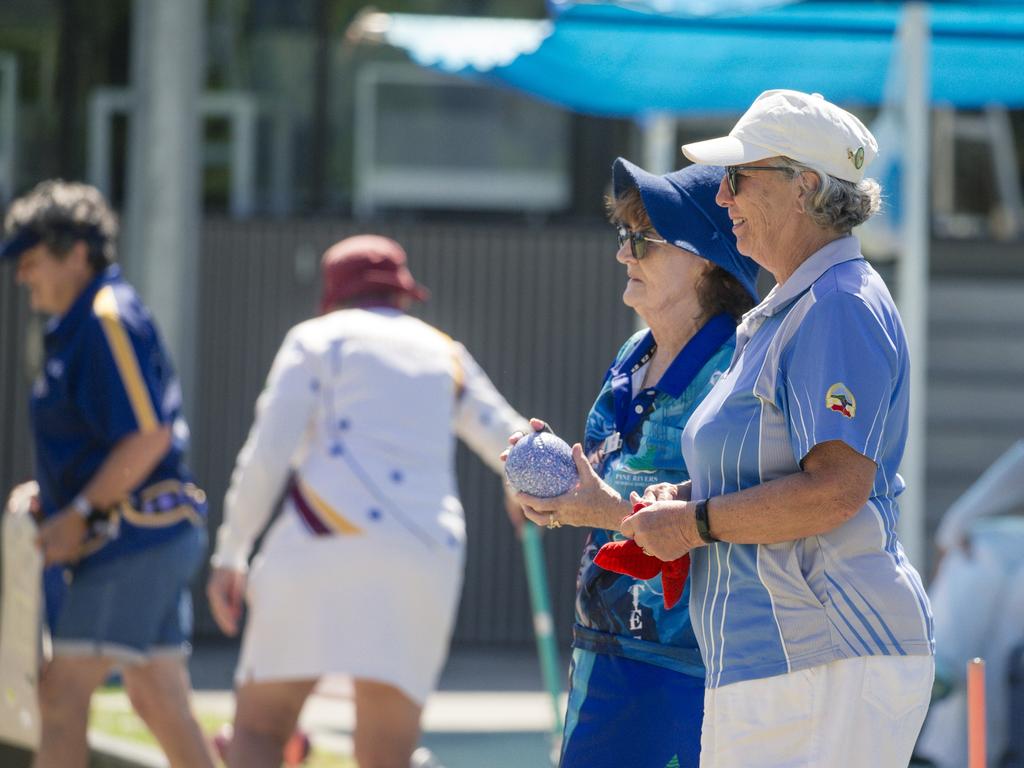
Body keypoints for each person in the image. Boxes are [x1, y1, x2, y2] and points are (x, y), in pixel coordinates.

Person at [621, 89, 935, 767]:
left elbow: (834, 492)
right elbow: (774, 471)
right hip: (792, 661)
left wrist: (696, 523)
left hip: (824, 656)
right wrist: (686, 500)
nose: (723, 198)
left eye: (737, 178)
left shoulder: (836, 305)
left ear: (807, 188)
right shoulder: (800, 305)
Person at [205, 234, 529, 768]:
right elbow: (512, 441)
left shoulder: (315, 339)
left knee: (261, 728)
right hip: (423, 553)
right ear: (402, 294)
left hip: (319, 540)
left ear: (332, 294)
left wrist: (231, 552)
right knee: (387, 752)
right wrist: (525, 484)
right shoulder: (445, 351)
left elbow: (266, 455)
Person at [508, 160, 759, 768]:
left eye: (642, 240)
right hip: (605, 645)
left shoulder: (736, 367)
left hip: (690, 661)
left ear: (704, 258)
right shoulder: (633, 353)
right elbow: (616, 479)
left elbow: (737, 520)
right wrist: (561, 483)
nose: (625, 255)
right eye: (624, 237)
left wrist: (603, 508)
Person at [0, 180, 214, 768]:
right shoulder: (75, 322)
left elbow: (149, 435)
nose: (22, 276)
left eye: (32, 260)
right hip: (143, 535)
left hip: (131, 538)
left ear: (77, 253)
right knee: (159, 698)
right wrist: (54, 495)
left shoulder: (104, 316)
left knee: (61, 697)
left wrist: (81, 513)